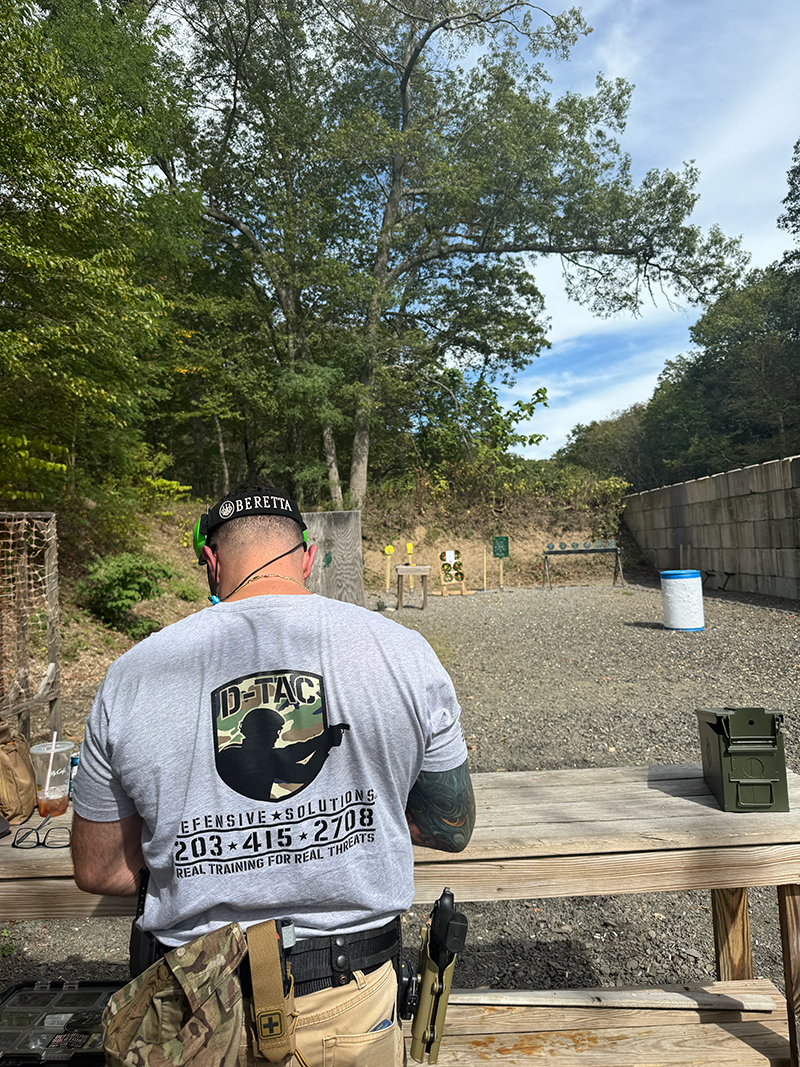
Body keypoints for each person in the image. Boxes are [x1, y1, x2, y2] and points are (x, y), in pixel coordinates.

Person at [72, 485, 475, 1067]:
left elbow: (100, 867)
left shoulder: (133, 674)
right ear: (308, 555)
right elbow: (449, 825)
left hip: (191, 1010)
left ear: (209, 561)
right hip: (350, 998)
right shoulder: (402, 652)